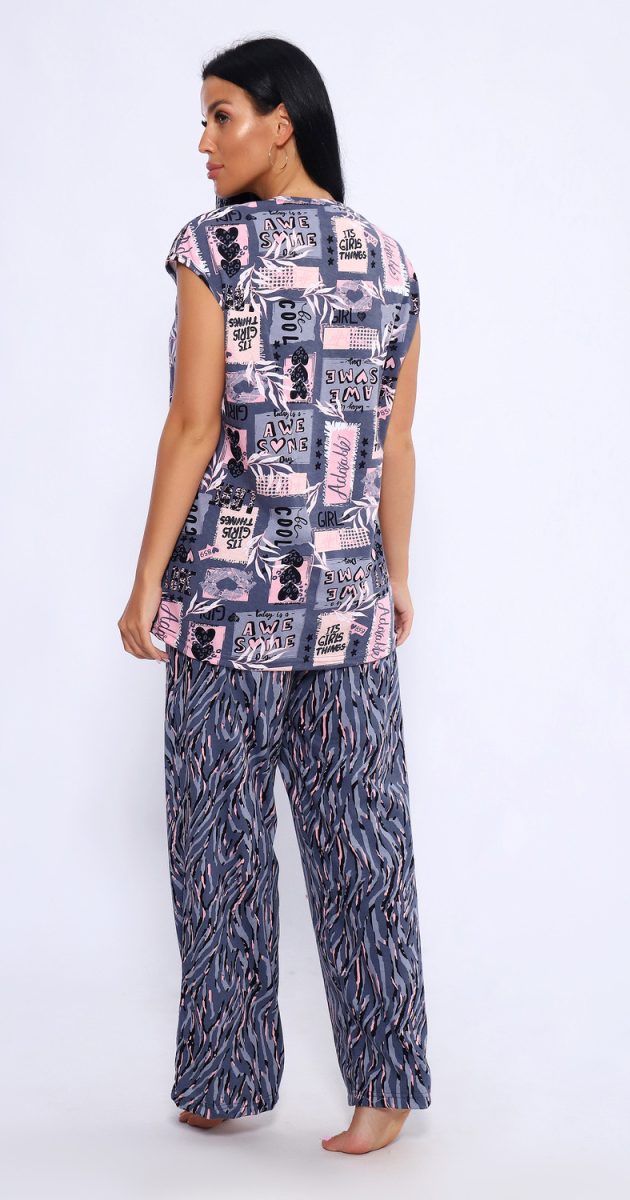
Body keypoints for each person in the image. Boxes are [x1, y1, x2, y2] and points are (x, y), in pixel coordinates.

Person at [117, 35, 431, 1156]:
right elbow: (393, 442)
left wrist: (144, 581)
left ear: (280, 121)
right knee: (364, 849)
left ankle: (226, 1079)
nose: (204, 142)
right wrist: (395, 576)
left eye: (221, 115)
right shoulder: (390, 259)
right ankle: (384, 1091)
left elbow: (194, 425)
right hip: (347, 604)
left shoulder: (212, 248)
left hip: (226, 605)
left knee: (220, 846)